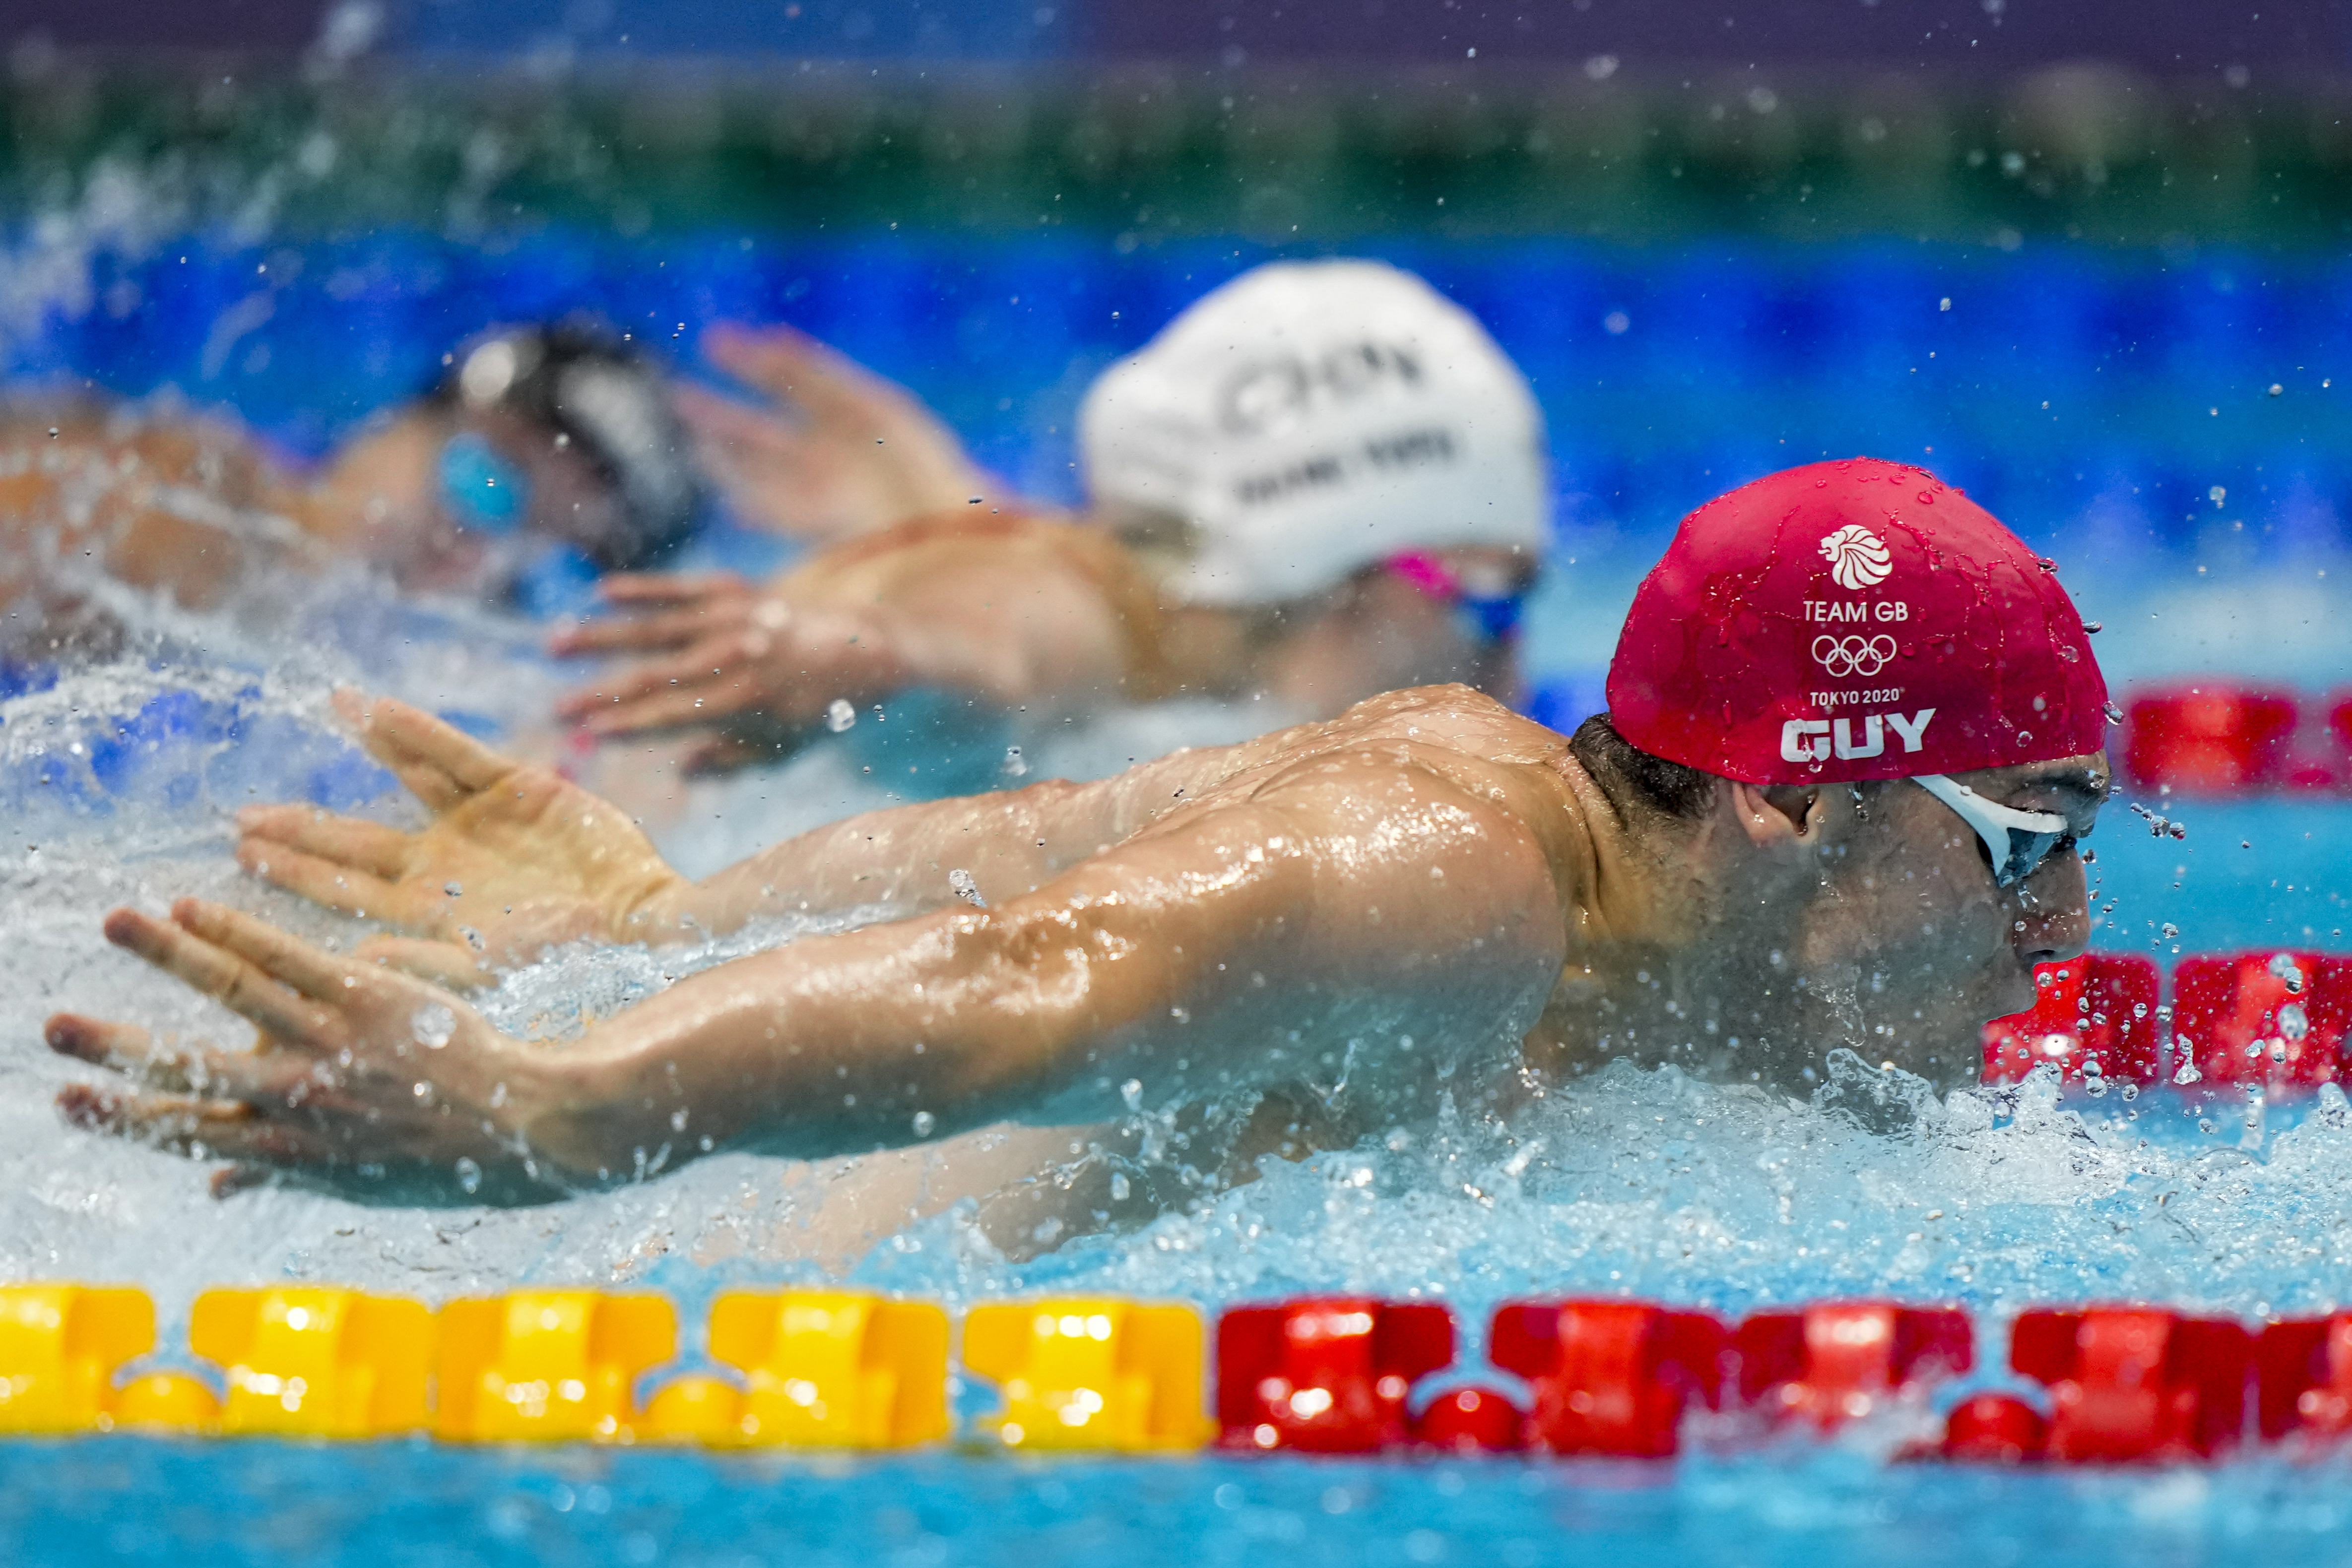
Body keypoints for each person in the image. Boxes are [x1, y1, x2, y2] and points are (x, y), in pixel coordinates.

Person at [46, 458, 2111, 1212]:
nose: (2066, 929)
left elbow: (1046, 837)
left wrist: (656, 919)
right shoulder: (1450, 878)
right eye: (2024, 840)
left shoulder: (1533, 825)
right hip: (686, 1344)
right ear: (1784, 801)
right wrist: (566, 1097)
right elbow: (1032, 966)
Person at [549, 260, 1550, 772]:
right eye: (1496, 597)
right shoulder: (1067, 618)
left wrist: (943, 507)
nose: (1514, 665)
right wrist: (878, 653)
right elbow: (1004, 640)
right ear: (1341, 578)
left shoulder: (1191, 667)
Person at [0, 320, 704, 658]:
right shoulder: (189, 505)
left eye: (524, 570)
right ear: (397, 428)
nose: (472, 558)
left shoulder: (273, 627)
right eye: (487, 484)